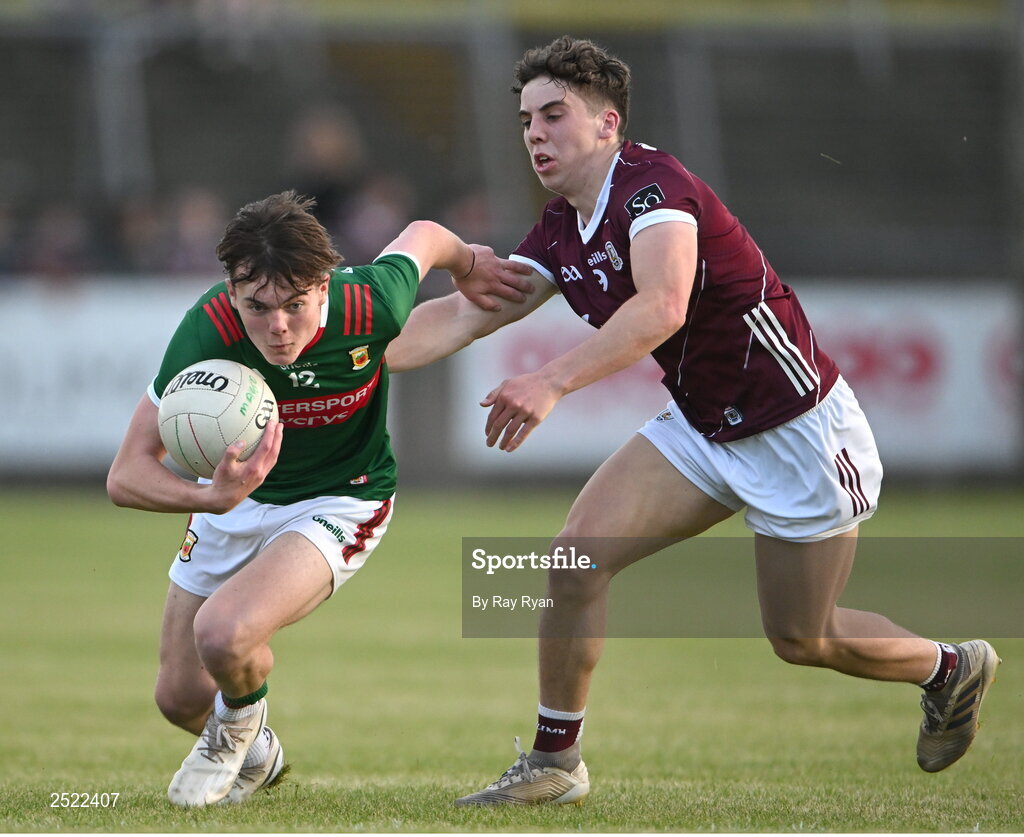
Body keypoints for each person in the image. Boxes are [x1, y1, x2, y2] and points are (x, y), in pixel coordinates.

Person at [384, 36, 1001, 805]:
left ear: (608, 125)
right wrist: (347, 354)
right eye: (525, 121)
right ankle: (554, 761)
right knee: (575, 557)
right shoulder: (558, 229)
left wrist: (550, 380)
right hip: (704, 427)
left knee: (803, 637)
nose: (535, 133)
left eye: (554, 115)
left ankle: (950, 667)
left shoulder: (654, 188)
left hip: (798, 432)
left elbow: (662, 305)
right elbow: (458, 321)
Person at [106, 190, 532, 807]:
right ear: (231, 291)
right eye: (258, 307)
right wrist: (212, 496)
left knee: (224, 634)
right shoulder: (208, 331)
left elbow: (423, 233)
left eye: (295, 306)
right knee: (179, 698)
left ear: (326, 286)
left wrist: (467, 264)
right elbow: (125, 475)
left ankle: (233, 735)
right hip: (236, 503)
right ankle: (260, 752)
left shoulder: (371, 299)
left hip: (340, 499)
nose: (277, 327)